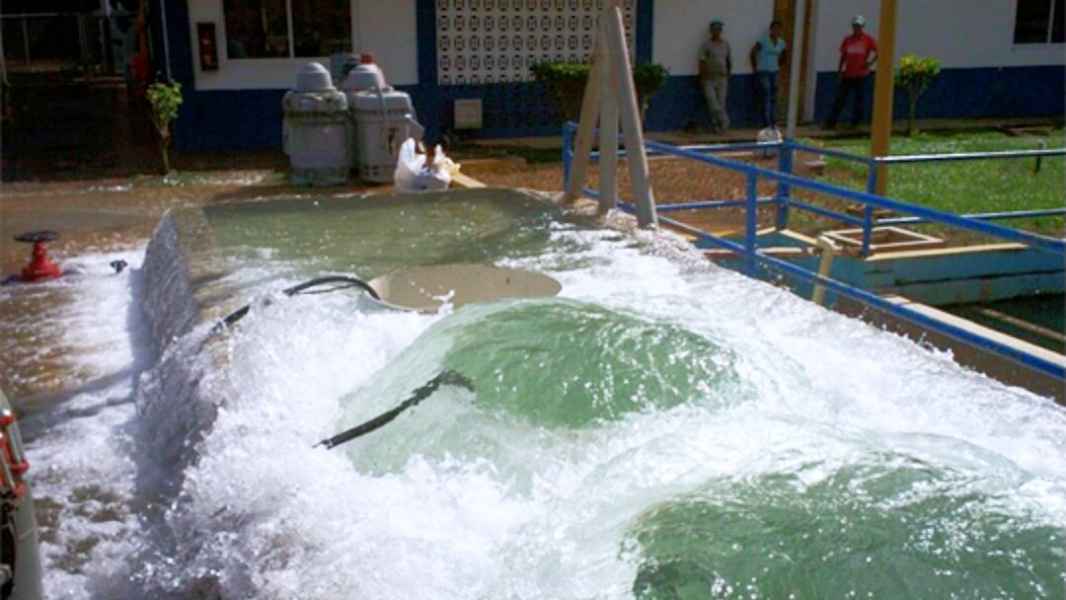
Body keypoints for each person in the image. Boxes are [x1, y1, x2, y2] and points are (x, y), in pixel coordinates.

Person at [825, 15, 878, 129]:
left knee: (859, 100)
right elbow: (843, 56)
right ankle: (831, 122)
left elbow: (878, 52)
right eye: (855, 26)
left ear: (862, 27)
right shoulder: (847, 40)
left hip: (861, 75)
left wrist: (869, 63)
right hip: (848, 74)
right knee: (840, 99)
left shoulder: (868, 40)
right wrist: (839, 70)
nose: (856, 28)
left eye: (858, 26)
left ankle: (855, 123)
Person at [749, 20, 788, 129]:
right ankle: (766, 122)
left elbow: (785, 55)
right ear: (771, 29)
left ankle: (773, 121)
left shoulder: (781, 42)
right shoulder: (763, 41)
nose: (776, 31)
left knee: (773, 97)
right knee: (766, 95)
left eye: (779, 29)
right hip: (763, 71)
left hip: (774, 71)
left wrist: (779, 65)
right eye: (774, 28)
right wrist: (755, 67)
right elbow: (753, 53)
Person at [699, 19, 732, 133]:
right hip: (708, 78)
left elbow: (728, 60)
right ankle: (725, 122)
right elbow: (702, 61)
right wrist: (702, 76)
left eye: (719, 29)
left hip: (722, 77)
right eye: (714, 29)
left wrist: (728, 73)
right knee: (713, 104)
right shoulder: (706, 45)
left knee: (721, 103)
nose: (717, 32)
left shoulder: (726, 44)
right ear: (711, 31)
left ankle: (718, 127)